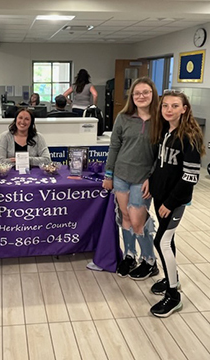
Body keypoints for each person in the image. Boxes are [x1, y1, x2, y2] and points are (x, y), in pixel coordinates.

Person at [148, 90, 204, 317]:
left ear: (185, 109)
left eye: (174, 106)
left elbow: (191, 177)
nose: (168, 110)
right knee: (166, 240)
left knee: (161, 241)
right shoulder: (164, 131)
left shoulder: (189, 136)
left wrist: (170, 203)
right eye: (164, 106)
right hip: (161, 196)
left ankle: (174, 296)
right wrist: (150, 183)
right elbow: (161, 166)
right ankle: (173, 279)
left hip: (176, 201)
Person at [102, 77, 159, 280]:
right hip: (121, 176)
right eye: (137, 93)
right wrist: (109, 174)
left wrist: (152, 177)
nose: (141, 96)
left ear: (153, 94)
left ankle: (150, 260)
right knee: (125, 217)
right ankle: (129, 255)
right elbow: (114, 146)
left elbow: (161, 155)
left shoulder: (160, 120)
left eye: (145, 92)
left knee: (138, 221)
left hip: (143, 179)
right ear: (132, 96)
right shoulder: (123, 117)